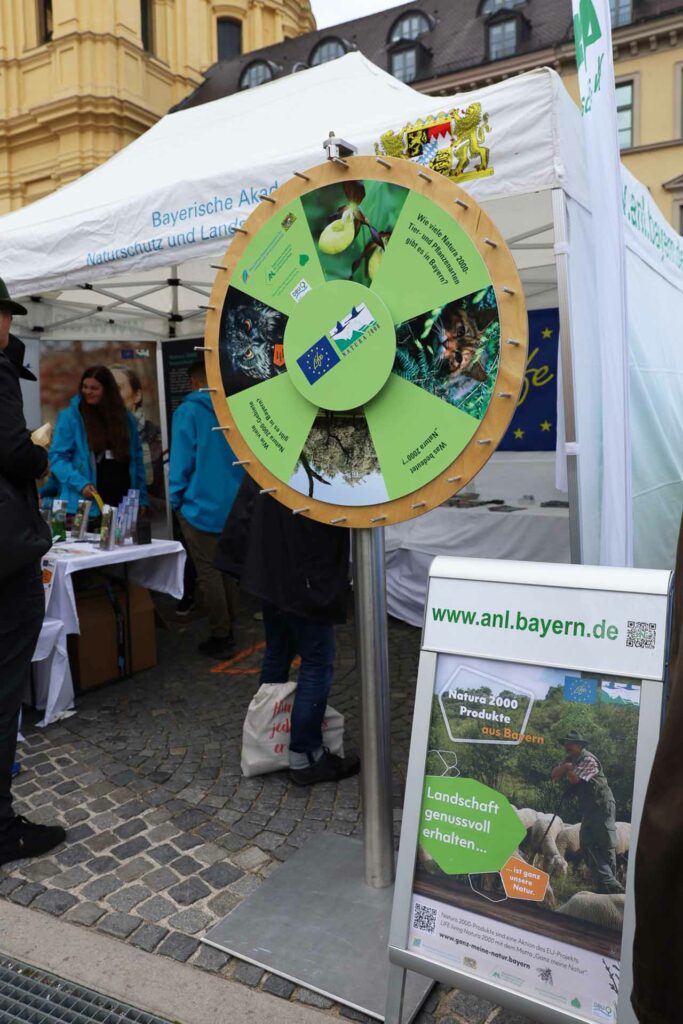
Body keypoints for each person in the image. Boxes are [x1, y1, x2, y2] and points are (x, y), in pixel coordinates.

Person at [215, 475, 360, 786]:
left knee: (279, 651)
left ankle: (267, 737)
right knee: (317, 661)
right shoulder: (324, 452)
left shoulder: (274, 445)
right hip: (305, 571)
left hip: (272, 569)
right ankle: (304, 756)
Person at [0, 276, 66, 865]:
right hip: (5, 554)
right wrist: (38, 452)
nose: (10, 328)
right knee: (4, 688)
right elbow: (14, 454)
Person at [169, 359, 244, 657]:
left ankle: (221, 634)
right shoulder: (233, 409)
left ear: (193, 382)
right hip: (232, 505)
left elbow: (181, 461)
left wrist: (175, 499)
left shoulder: (188, 411)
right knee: (227, 570)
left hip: (198, 506)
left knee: (209, 572)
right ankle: (230, 626)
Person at [49, 365, 148, 513]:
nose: (88, 392)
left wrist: (142, 498)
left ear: (107, 390)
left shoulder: (126, 419)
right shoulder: (70, 417)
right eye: (85, 387)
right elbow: (57, 458)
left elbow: (137, 459)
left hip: (123, 503)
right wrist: (80, 484)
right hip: (86, 504)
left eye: (94, 388)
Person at [550, 729, 624, 895]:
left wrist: (567, 768)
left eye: (570, 743)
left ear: (579, 745)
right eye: (565, 743)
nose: (566, 746)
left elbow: (575, 779)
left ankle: (608, 887)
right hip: (590, 808)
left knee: (605, 845)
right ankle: (609, 883)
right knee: (587, 845)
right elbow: (553, 775)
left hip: (602, 805)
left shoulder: (588, 759)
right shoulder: (570, 760)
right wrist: (567, 766)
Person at [110, 364, 163, 502]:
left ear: (137, 396)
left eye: (117, 388)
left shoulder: (161, 441)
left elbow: (170, 499)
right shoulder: (89, 440)